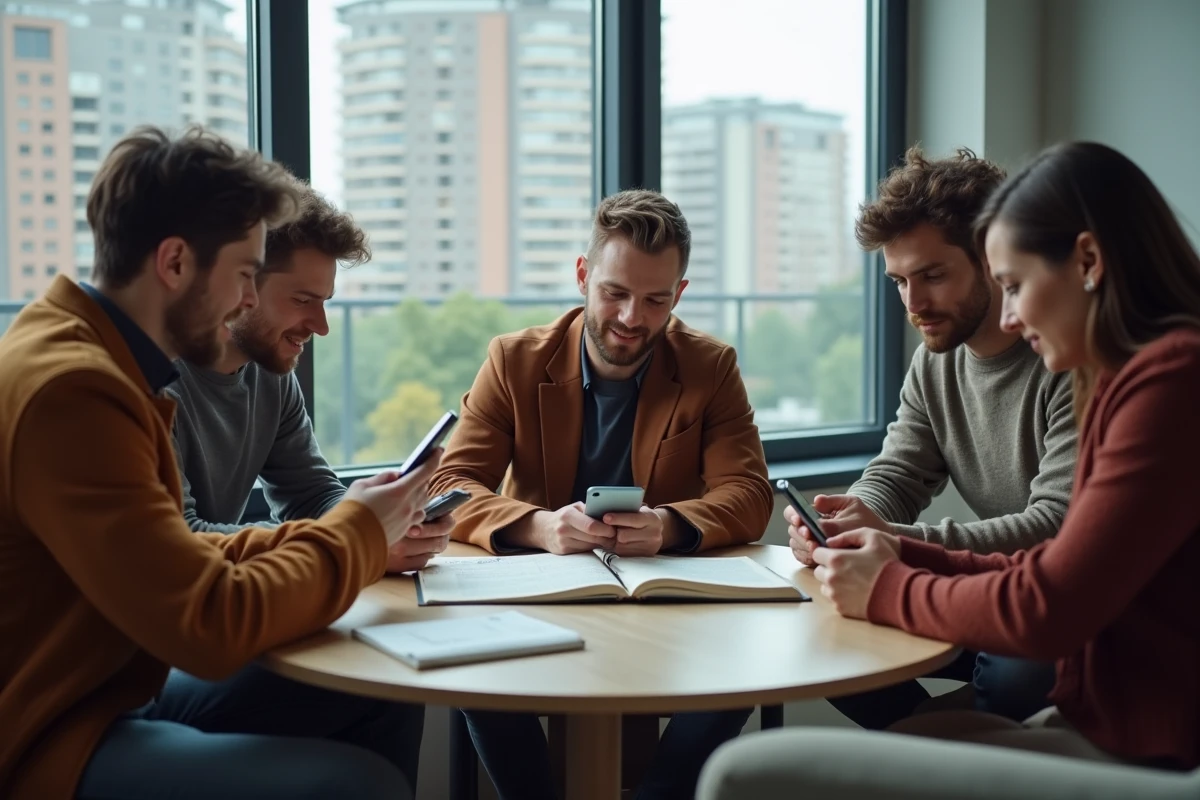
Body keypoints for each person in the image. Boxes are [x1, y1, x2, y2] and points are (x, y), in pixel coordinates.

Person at [699, 141, 1200, 798]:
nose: (1012, 313)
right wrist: (883, 543)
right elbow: (1038, 568)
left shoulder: (1168, 382)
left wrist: (886, 584)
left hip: (1161, 749)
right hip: (1109, 718)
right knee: (912, 729)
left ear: (1087, 261)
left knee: (742, 774)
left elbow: (1048, 597)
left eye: (1014, 285)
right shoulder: (1132, 377)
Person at [0, 126, 440, 800]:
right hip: (46, 734)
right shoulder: (74, 392)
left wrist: (357, 526)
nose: (244, 300)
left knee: (385, 684)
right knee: (357, 784)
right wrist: (358, 536)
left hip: (113, 692)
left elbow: (178, 561)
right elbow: (209, 625)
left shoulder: (100, 358)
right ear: (175, 263)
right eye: (243, 274)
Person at [429, 189, 774, 800]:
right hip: (539, 587)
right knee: (473, 669)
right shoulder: (513, 360)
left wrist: (668, 524)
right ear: (584, 276)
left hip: (661, 595)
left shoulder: (710, 365)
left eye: (655, 299)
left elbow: (748, 493)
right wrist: (538, 526)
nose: (632, 318)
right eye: (615, 293)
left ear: (680, 295)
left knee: (748, 669)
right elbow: (451, 484)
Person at [165, 183, 448, 788]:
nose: (319, 325)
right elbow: (180, 542)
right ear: (240, 289)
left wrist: (381, 515)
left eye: (325, 301)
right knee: (381, 674)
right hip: (152, 659)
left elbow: (313, 493)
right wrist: (355, 540)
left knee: (394, 671)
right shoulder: (154, 384)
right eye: (303, 300)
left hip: (213, 625)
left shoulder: (267, 375)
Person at [788, 146, 1076, 728]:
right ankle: (931, 737)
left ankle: (930, 742)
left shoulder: (1068, 358)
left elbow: (1057, 524)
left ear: (991, 259)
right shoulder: (934, 362)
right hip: (987, 586)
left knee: (1019, 667)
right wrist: (851, 519)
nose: (914, 305)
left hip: (1058, 600)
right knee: (822, 617)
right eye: (898, 282)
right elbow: (900, 469)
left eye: (933, 276)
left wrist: (893, 538)